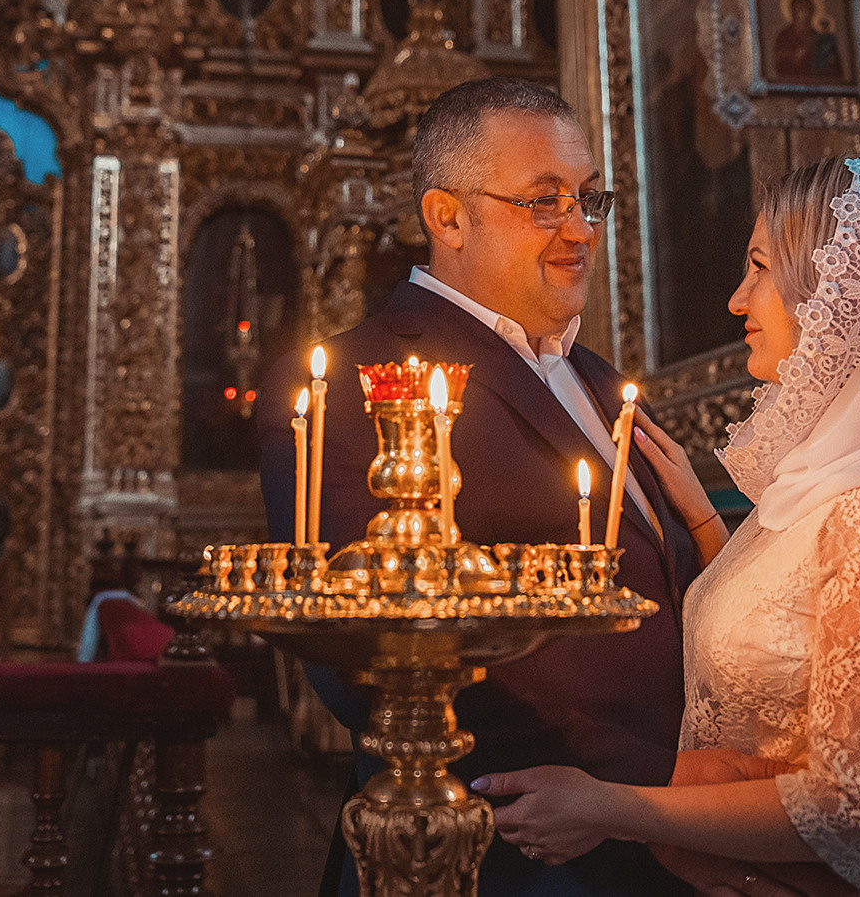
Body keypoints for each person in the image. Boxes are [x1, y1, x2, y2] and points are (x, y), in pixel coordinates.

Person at [476, 155, 860, 897]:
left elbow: (856, 808)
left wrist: (614, 804)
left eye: (761, 267)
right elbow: (799, 627)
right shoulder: (836, 483)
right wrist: (705, 520)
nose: (740, 298)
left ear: (843, 293)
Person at [256, 77, 708, 897]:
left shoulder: (604, 384)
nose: (579, 228)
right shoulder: (350, 383)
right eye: (544, 202)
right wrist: (659, 786)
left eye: (589, 197)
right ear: (448, 216)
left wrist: (691, 800)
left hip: (662, 842)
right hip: (502, 853)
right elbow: (371, 654)